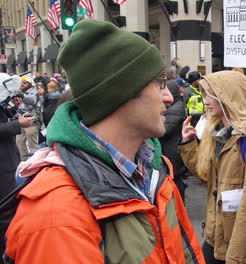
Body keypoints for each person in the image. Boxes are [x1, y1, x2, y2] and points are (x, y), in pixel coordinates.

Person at [4, 19, 204, 263]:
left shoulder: (155, 169)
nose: (168, 97)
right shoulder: (56, 214)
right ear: (120, 93)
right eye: (159, 83)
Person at [179, 71, 246, 264]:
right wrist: (188, 145)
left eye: (210, 94)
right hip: (215, 237)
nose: (206, 101)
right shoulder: (216, 131)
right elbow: (204, 175)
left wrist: (236, 257)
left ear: (228, 94)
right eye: (204, 94)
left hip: (245, 248)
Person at [0, 73, 35, 201]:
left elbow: (5, 114)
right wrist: (18, 123)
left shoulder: (3, 102)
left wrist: (15, 108)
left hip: (8, 161)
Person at [159, 80, 188, 200]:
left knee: (176, 183)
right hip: (170, 151)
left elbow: (164, 131)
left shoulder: (176, 109)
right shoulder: (175, 107)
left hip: (172, 153)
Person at [16, 74, 41, 159]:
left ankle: (35, 161)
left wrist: (21, 95)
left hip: (31, 122)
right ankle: (24, 161)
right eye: (21, 82)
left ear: (30, 83)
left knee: (32, 145)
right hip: (20, 121)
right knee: (19, 143)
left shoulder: (33, 91)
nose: (22, 84)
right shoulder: (19, 91)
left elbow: (31, 100)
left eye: (25, 83)